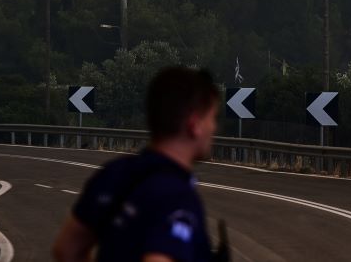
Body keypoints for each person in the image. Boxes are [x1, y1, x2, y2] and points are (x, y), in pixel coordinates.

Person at [52, 67, 228, 262]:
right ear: (194, 124)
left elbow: (67, 249)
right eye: (212, 118)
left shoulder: (114, 173)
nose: (214, 127)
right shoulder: (177, 196)